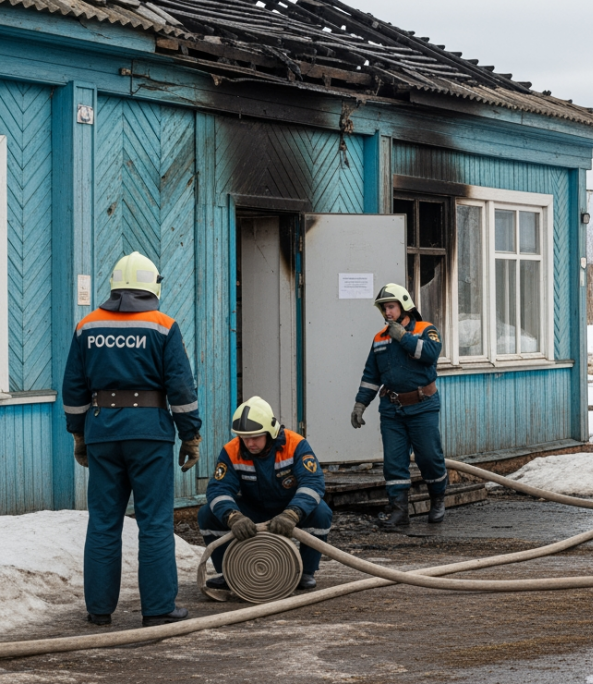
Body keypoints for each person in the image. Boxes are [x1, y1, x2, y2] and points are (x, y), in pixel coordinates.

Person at [61, 252, 201, 627]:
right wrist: (191, 435)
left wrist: (79, 434)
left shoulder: (86, 326)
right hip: (150, 435)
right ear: (152, 285)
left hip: (102, 432)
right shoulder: (163, 325)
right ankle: (157, 609)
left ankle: (99, 610)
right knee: (154, 523)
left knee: (104, 522)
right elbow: (181, 388)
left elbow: (73, 387)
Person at [199, 396, 331, 590]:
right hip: (252, 509)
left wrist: (293, 513)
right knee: (207, 514)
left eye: (255, 437)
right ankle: (228, 573)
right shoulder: (231, 450)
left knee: (321, 513)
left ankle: (305, 573)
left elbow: (313, 483)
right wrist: (232, 517)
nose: (249, 443)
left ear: (270, 432)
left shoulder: (296, 444)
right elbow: (219, 489)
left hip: (290, 508)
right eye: (244, 438)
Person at [350, 283, 445, 530]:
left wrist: (403, 337)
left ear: (404, 306)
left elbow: (431, 354)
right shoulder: (379, 338)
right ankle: (399, 512)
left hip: (423, 406)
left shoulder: (426, 329)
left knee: (429, 457)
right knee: (393, 461)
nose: (387, 313)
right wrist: (361, 404)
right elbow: (371, 375)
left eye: (391, 307)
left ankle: (437, 501)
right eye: (384, 308)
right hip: (392, 410)